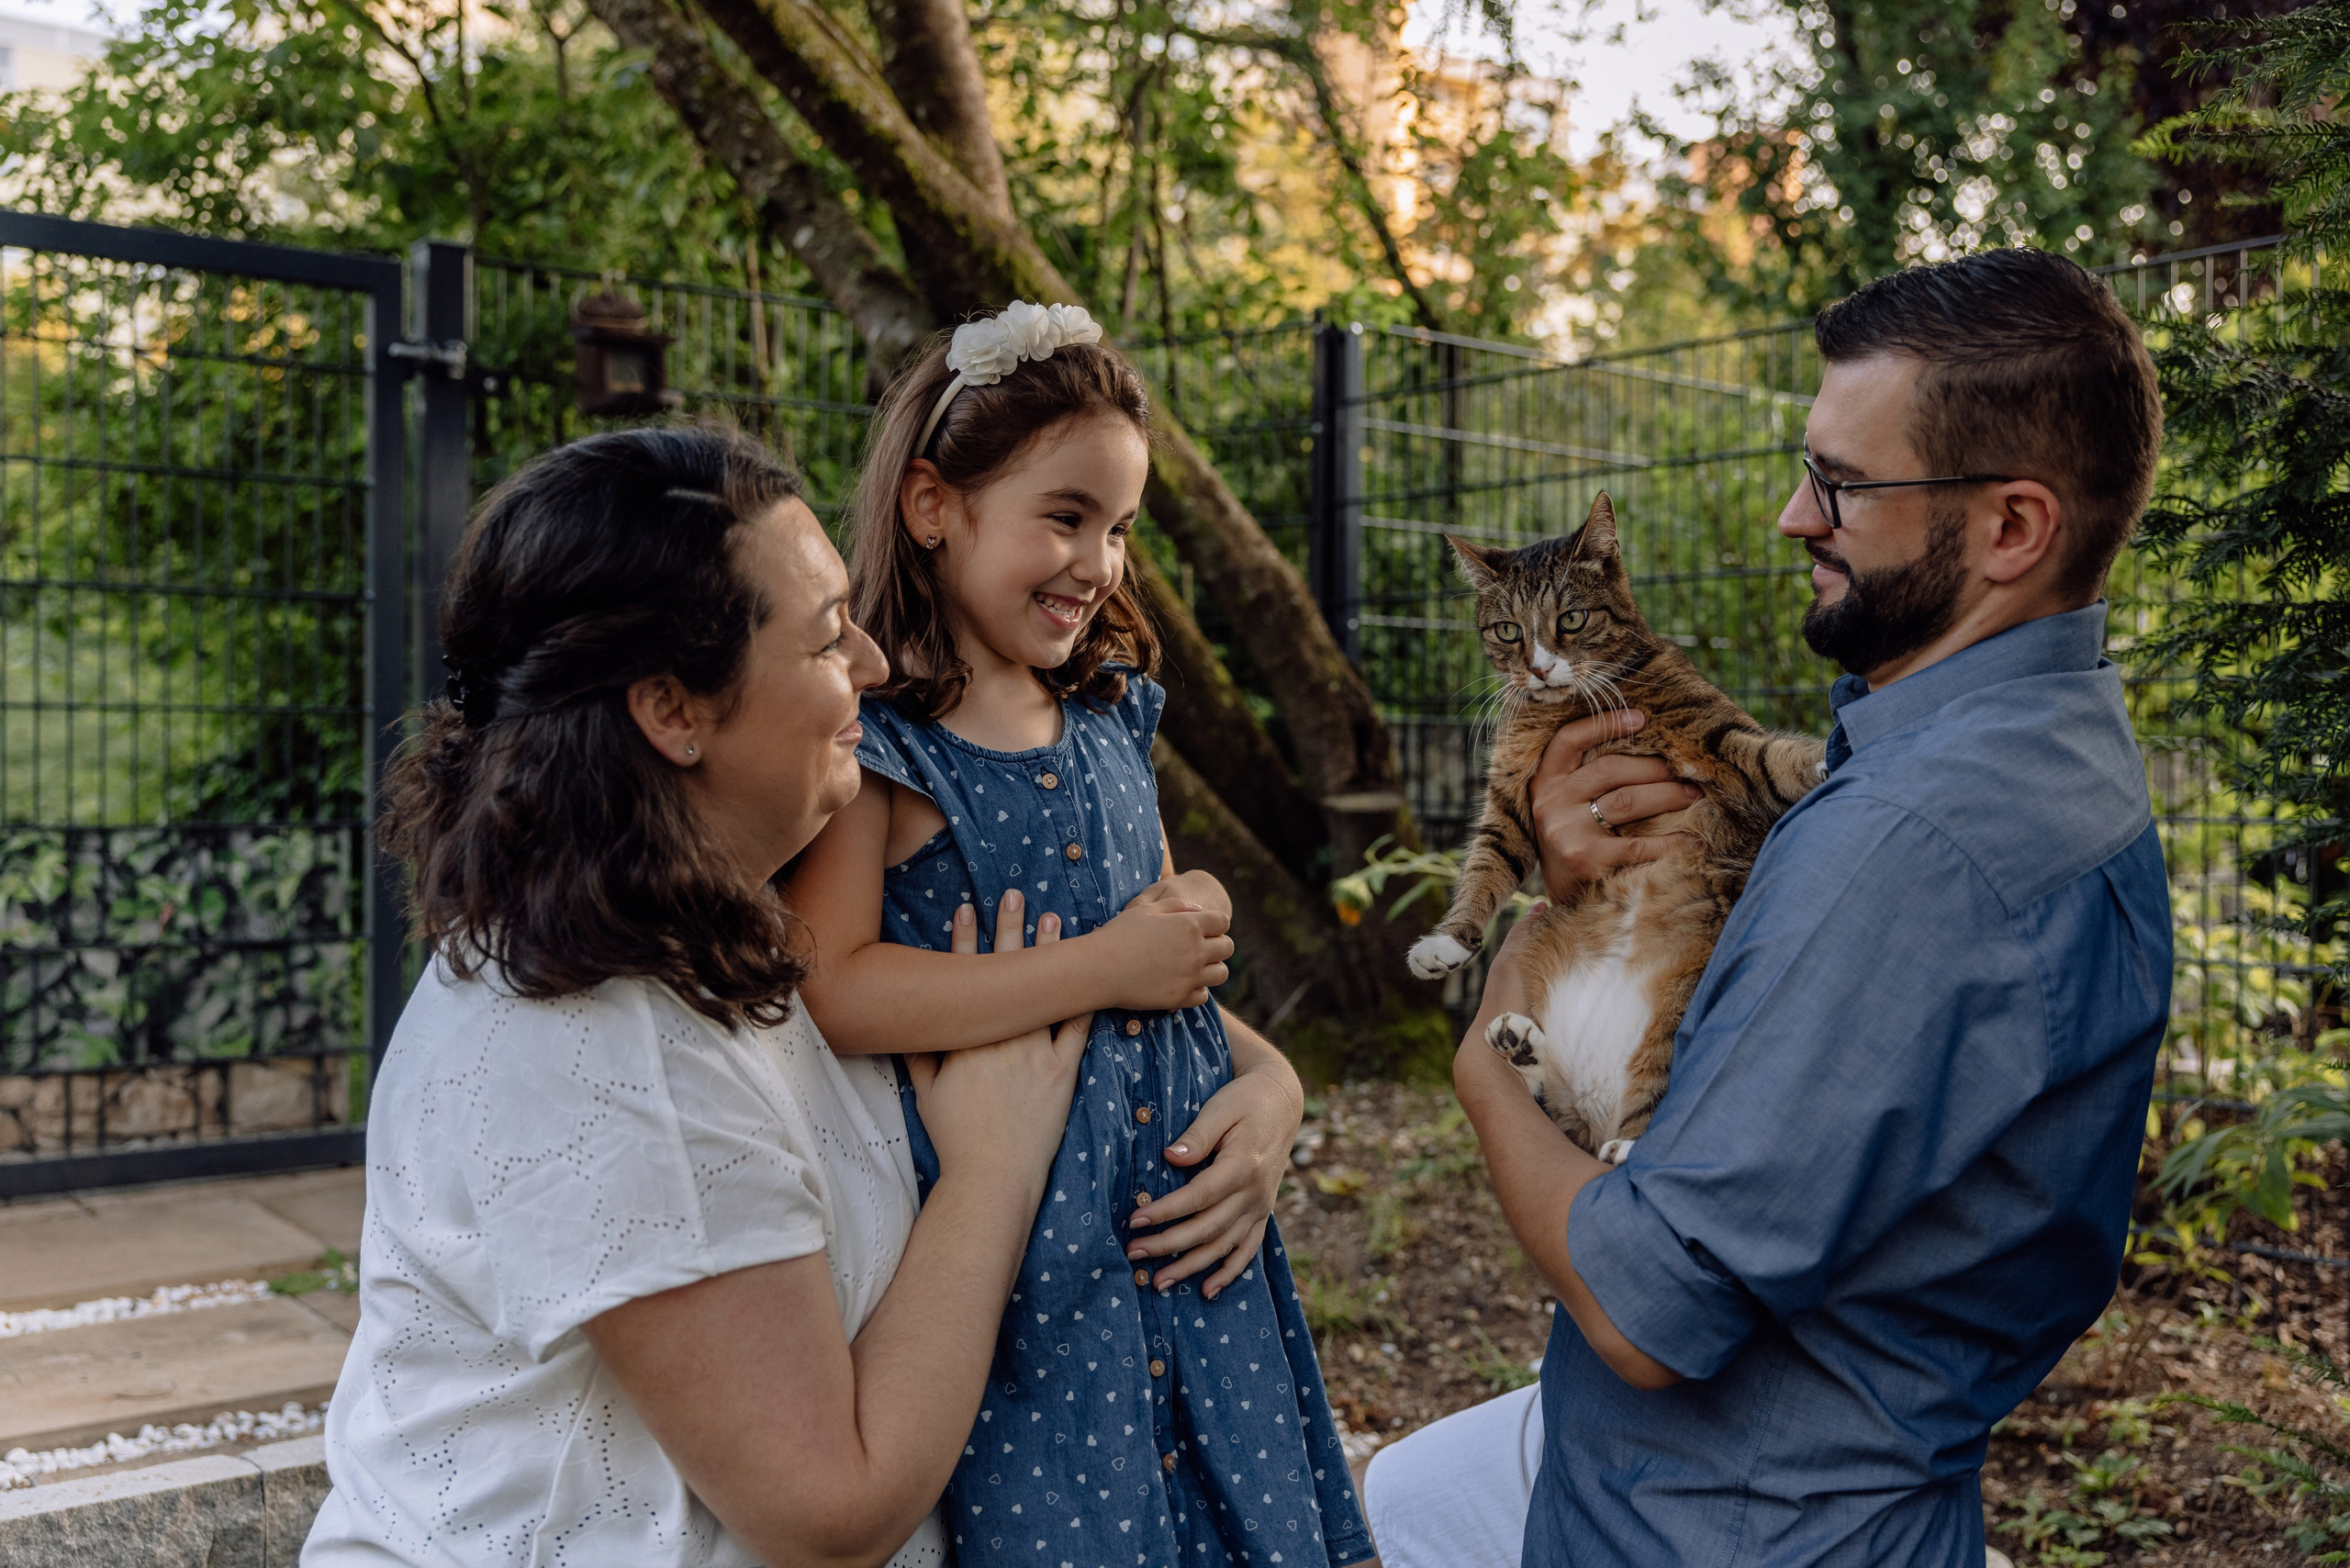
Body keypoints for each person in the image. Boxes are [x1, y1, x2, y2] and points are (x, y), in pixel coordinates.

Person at [1372, 245, 2173, 1567]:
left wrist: (1483, 1062)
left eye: (1844, 487)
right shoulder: (2049, 742)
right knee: (1393, 1501)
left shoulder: (1907, 849)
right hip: (1822, 1464)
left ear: (2013, 528)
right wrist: (1566, 898)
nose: (1792, 519)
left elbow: (1641, 1311)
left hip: (1714, 1519)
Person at [305, 426, 1096, 1567]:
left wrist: (1261, 1087)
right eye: (828, 638)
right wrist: (993, 1168)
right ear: (673, 710)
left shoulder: (734, 916)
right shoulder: (599, 1051)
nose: (874, 664)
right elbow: (827, 1513)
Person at [787, 303, 1374, 1568]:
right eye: (1064, 516)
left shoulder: (1108, 712)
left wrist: (1270, 1089)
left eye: (1117, 529)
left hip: (1186, 1220)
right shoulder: (886, 747)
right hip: (1026, 1261)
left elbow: (1168, 961)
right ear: (935, 504)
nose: (1098, 562)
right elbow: (834, 984)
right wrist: (1101, 964)